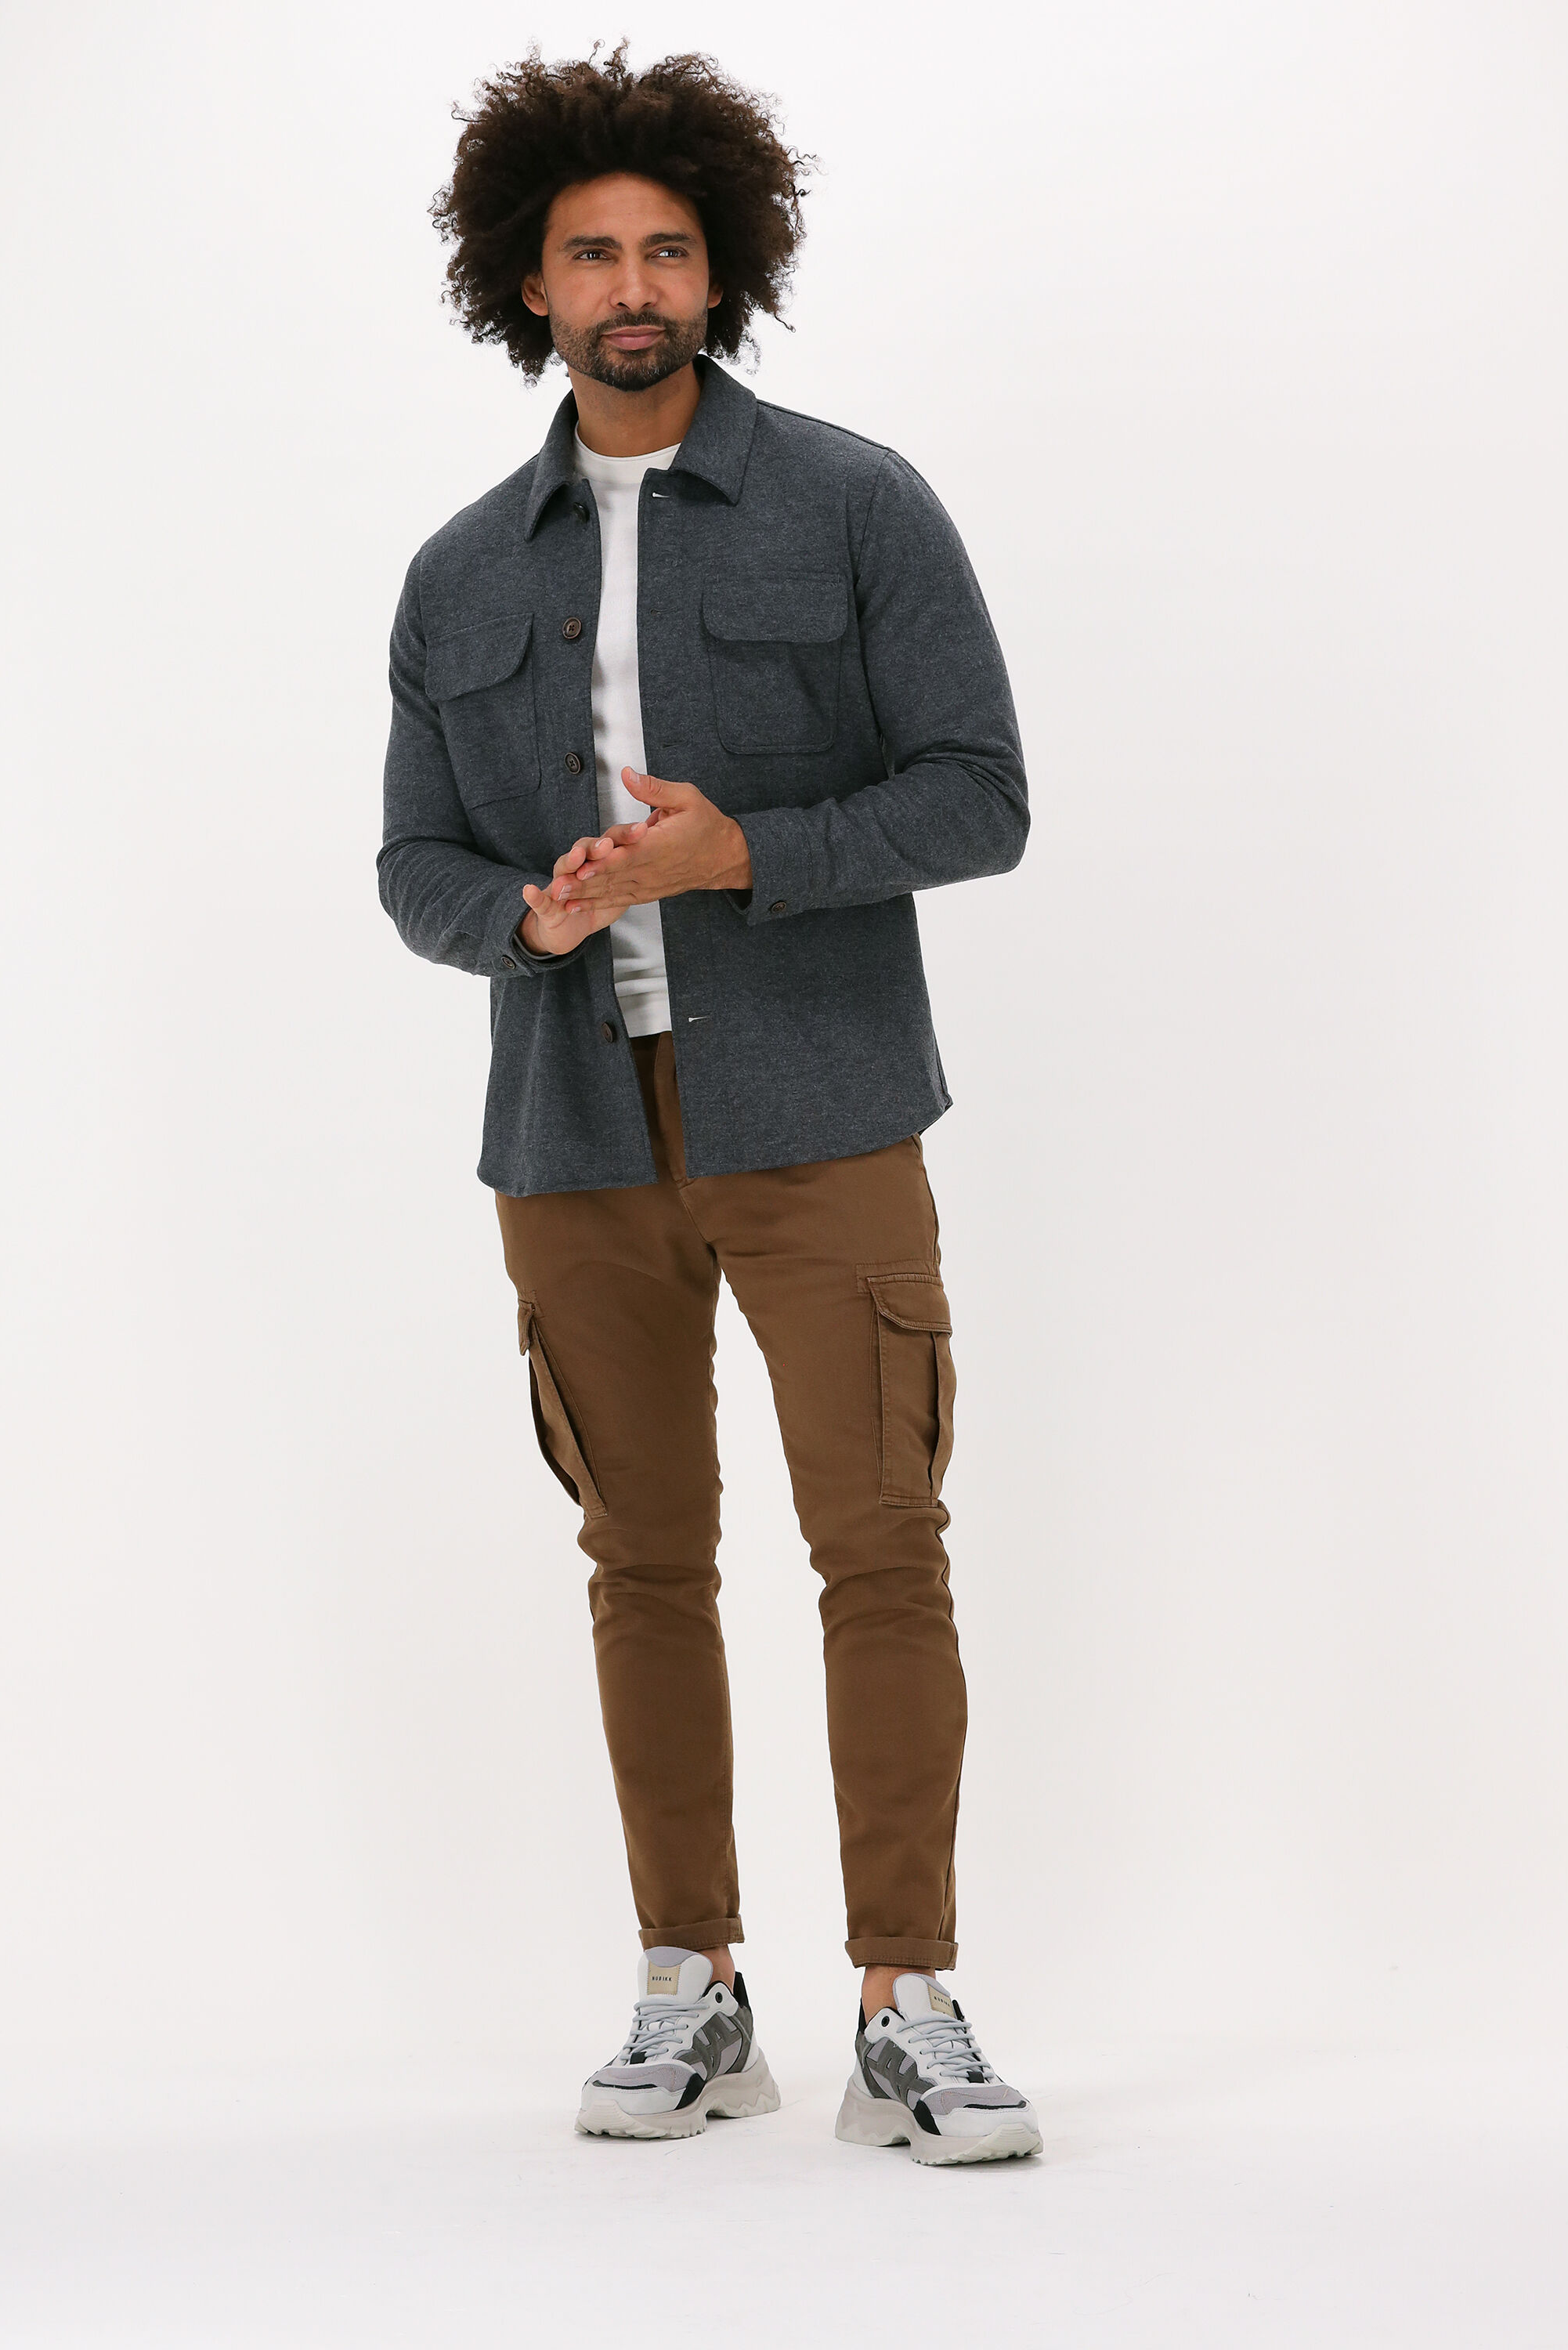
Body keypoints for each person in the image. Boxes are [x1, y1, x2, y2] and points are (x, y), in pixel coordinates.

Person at [380, 45, 1041, 2166]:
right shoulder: (458, 574)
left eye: (667, 249)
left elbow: (980, 796)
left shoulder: (856, 503)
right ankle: (692, 1987)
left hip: (823, 1112)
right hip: (571, 1134)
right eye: (591, 254)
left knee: (882, 1546)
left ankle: (907, 2005)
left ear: (722, 268)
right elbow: (410, 865)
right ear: (529, 282)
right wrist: (532, 916)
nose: (632, 286)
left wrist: (736, 852)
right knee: (642, 1561)